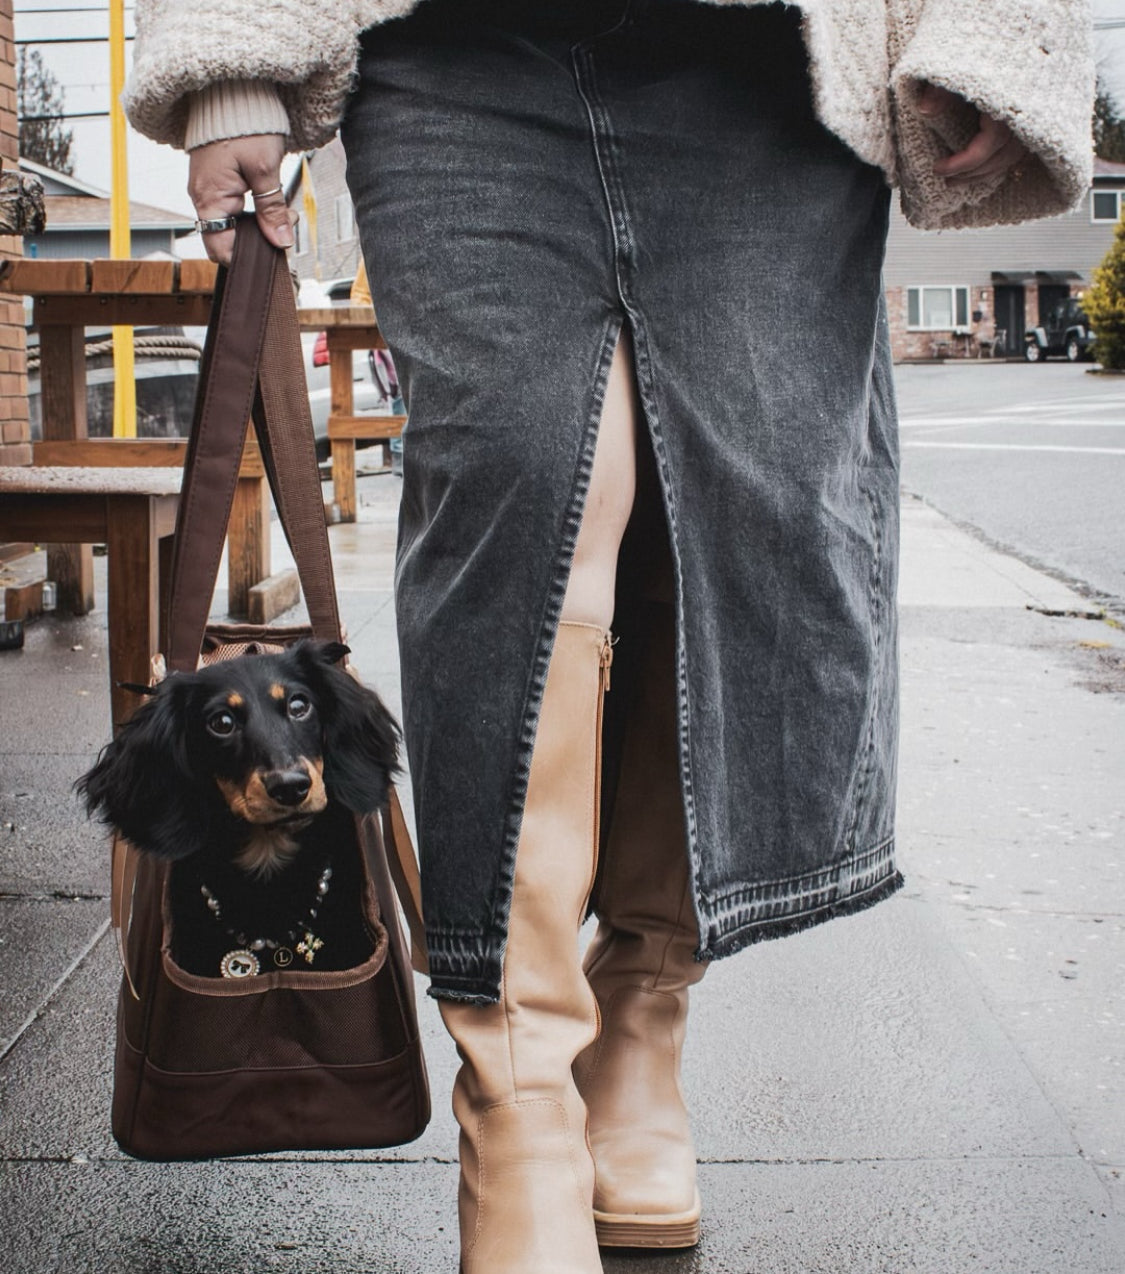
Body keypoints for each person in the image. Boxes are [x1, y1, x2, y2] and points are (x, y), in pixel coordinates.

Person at [124, 2, 1094, 1270]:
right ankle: (518, 1088)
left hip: (768, 67)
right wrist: (231, 63)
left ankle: (641, 1015)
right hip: (454, 54)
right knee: (524, 489)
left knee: (750, 522)